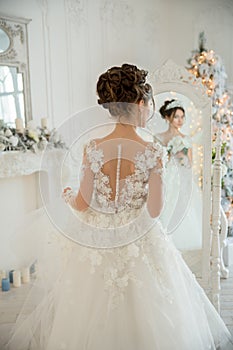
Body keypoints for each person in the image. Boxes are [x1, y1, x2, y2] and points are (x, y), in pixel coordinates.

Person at [3, 64, 232, 350]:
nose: (150, 111)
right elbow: (155, 210)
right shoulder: (153, 151)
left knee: (86, 309)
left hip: (98, 239)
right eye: (149, 105)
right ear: (139, 104)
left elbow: (83, 202)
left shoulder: (93, 147)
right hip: (141, 238)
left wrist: (68, 196)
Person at [154, 99, 203, 250]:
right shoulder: (159, 138)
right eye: (176, 116)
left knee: (183, 206)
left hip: (182, 177)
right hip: (167, 176)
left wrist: (182, 157)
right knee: (167, 204)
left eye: (182, 117)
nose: (180, 120)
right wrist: (169, 155)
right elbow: (156, 162)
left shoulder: (186, 139)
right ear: (168, 117)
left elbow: (190, 163)